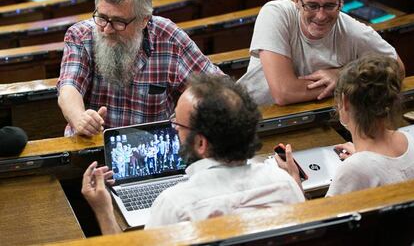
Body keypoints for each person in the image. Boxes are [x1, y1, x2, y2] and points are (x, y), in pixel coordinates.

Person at [82, 74, 305, 233]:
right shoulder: (286, 185)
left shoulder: (175, 205)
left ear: (201, 143)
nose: (174, 129)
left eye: (177, 123)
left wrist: (103, 211)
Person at [57, 0, 222, 137]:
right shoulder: (80, 35)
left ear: (144, 20)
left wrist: (181, 121)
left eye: (119, 22)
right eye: (102, 17)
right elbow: (69, 87)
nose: (106, 29)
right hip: (93, 146)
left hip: (149, 148)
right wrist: (79, 119)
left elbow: (217, 88)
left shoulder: (169, 37)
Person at [238, 0, 405, 106]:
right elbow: (284, 92)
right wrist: (348, 83)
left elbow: (396, 68)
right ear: (297, 1)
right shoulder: (276, 13)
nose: (321, 16)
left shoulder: (353, 31)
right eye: (312, 5)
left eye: (330, 5)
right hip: (255, 115)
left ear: (341, 2)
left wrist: (343, 75)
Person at [276, 54, 414, 196]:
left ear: (345, 101)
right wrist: (362, 157)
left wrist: (294, 179)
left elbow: (323, 217)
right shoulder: (409, 140)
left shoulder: (354, 169)